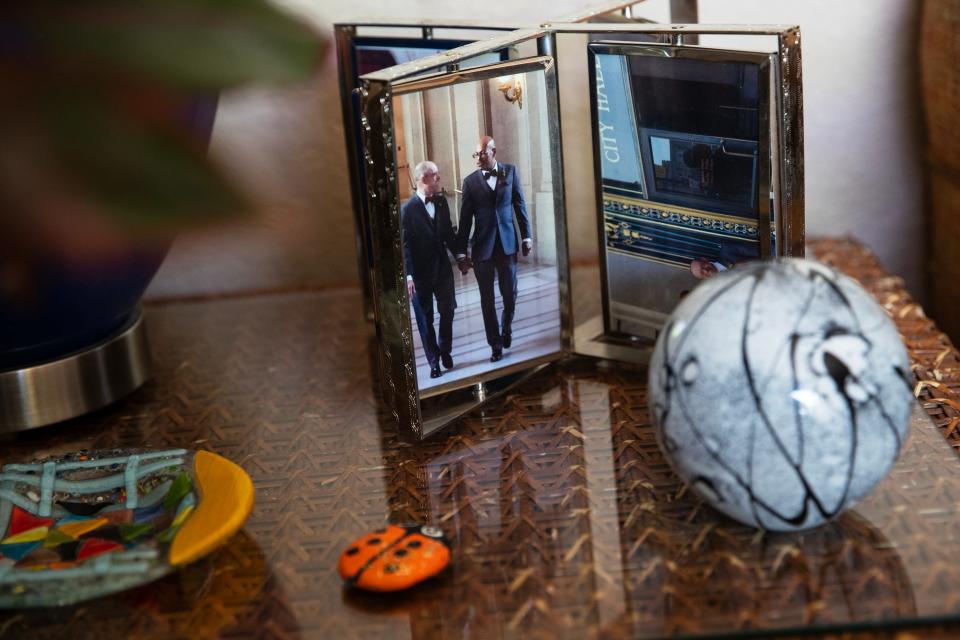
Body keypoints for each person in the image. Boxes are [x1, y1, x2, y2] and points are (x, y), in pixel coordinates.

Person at [455, 136, 532, 363]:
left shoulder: (510, 171)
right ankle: (495, 344)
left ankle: (506, 325)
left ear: (494, 151)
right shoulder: (469, 182)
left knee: (510, 294)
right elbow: (465, 220)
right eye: (475, 154)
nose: (478, 158)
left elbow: (519, 204)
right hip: (482, 250)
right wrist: (461, 253)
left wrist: (526, 236)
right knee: (486, 300)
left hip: (507, 245)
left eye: (481, 154)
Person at [401, 161, 457, 379]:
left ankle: (445, 349)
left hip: (442, 268)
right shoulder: (407, 210)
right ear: (423, 179)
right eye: (435, 175)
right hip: (419, 274)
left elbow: (448, 235)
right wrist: (408, 276)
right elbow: (405, 247)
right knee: (425, 319)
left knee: (448, 310)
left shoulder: (441, 202)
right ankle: (434, 361)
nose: (438, 179)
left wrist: (460, 256)